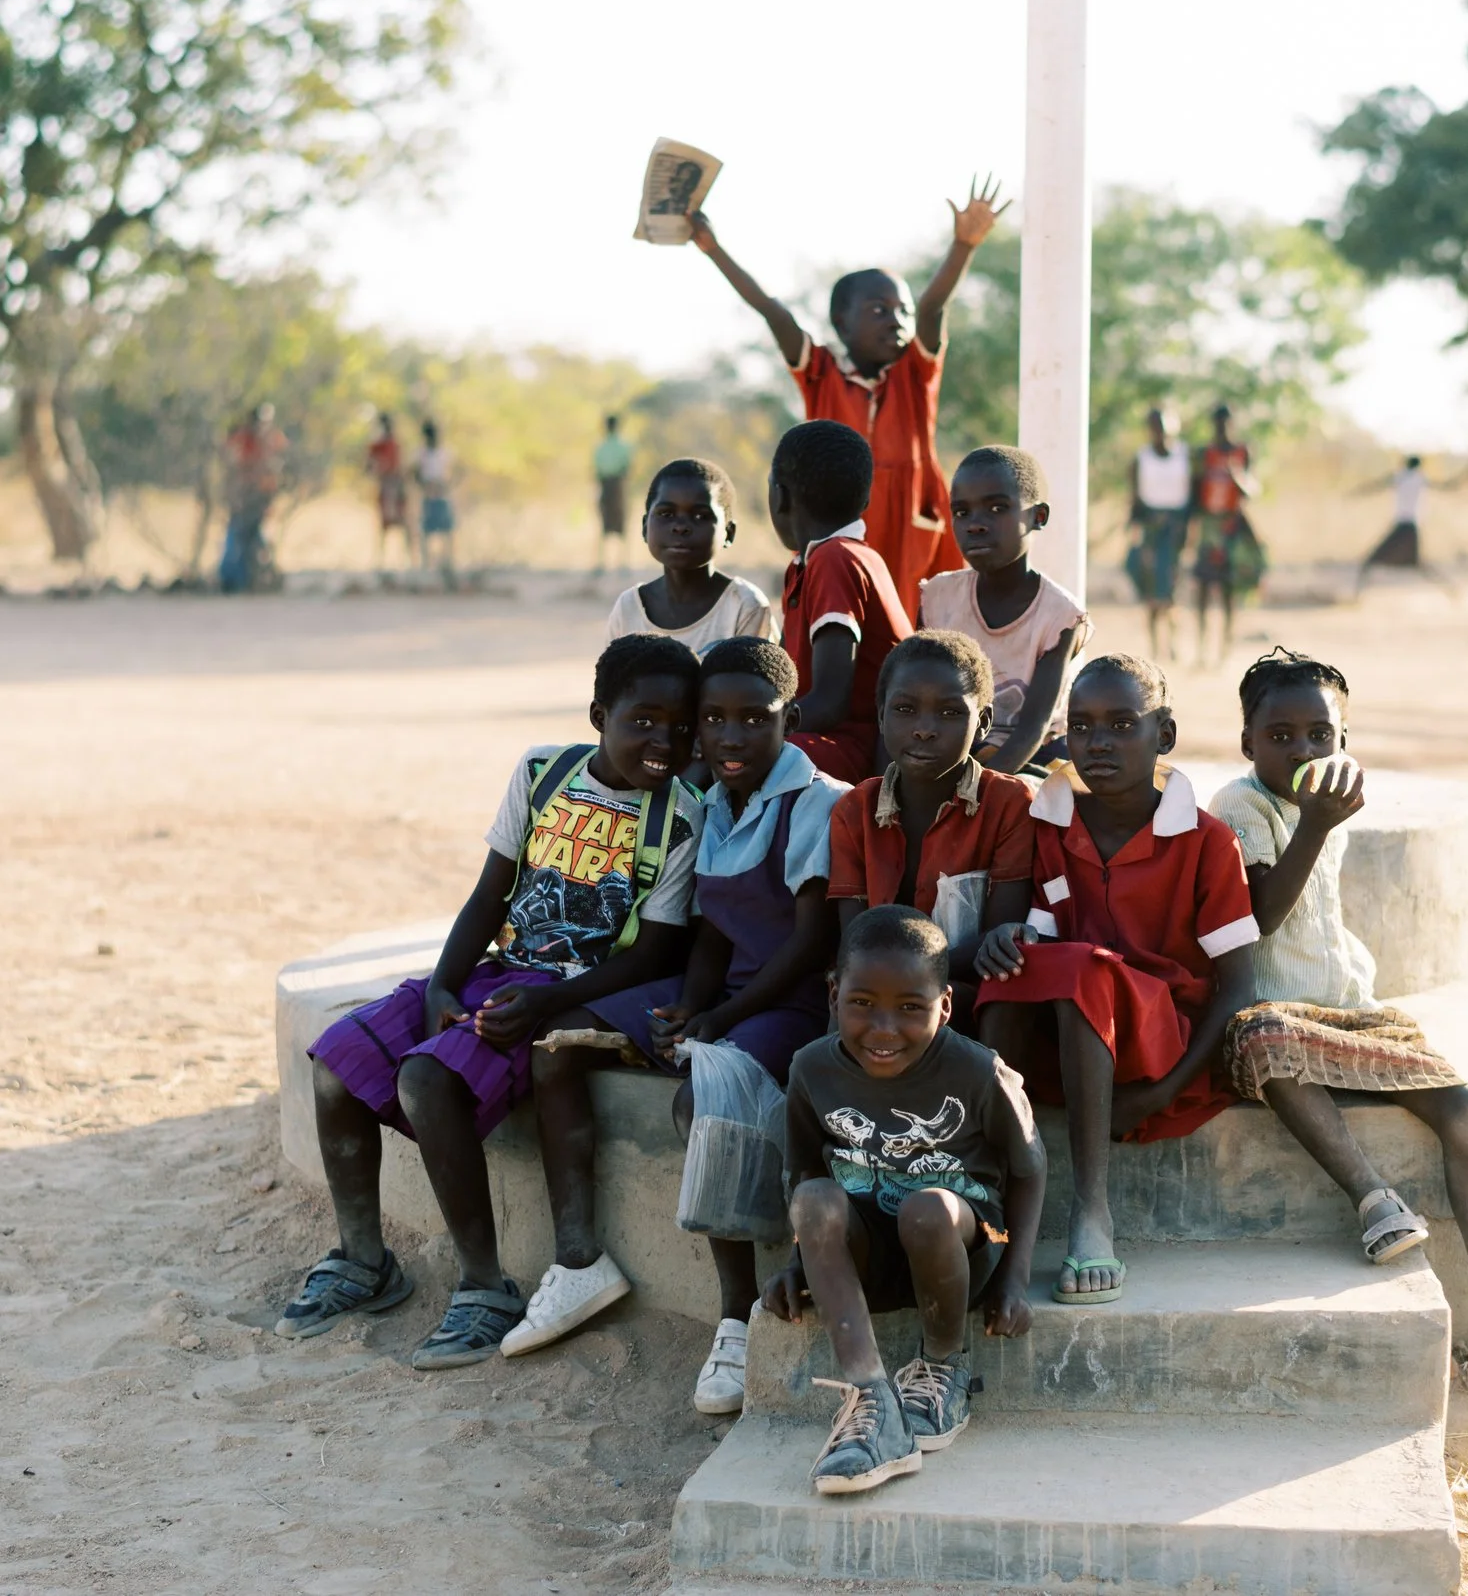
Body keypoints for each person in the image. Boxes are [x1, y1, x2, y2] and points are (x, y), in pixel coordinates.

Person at [282, 636, 703, 1369]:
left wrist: (548, 1004)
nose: (663, 741)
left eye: (680, 726)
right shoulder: (543, 772)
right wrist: (443, 983)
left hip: (571, 992)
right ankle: (363, 1260)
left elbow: (655, 953)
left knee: (426, 1079)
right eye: (643, 721)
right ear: (599, 715)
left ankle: (485, 1288)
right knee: (337, 1063)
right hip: (500, 968)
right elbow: (490, 893)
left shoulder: (681, 818)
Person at [1207, 648, 1468, 1404]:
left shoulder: (1332, 803)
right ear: (1247, 742)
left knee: (1463, 1107)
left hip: (1350, 1007)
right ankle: (1374, 1197)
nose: (1302, 750)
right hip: (1278, 1013)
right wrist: (1315, 826)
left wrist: (1322, 821)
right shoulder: (1239, 807)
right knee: (1264, 1041)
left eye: (1320, 735)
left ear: (1343, 741)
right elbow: (1261, 916)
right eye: (1280, 736)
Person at [524, 637, 847, 1407]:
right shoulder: (716, 803)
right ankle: (577, 1261)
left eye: (754, 718)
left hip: (791, 1004)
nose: (732, 736)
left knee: (703, 1098)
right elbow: (713, 934)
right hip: (730, 997)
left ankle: (736, 1318)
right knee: (556, 1044)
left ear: (792, 720)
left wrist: (717, 1017)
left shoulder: (815, 801)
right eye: (714, 719)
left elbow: (810, 943)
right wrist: (691, 1005)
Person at [974, 654, 1264, 1304]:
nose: (1097, 742)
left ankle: (1091, 1209)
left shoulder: (1206, 841)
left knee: (1083, 970)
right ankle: (983, 1189)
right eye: (1081, 726)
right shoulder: (1049, 824)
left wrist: (1161, 1093)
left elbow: (1238, 988)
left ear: (1165, 734)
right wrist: (1008, 937)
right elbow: (1042, 938)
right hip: (1074, 1046)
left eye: (1122, 724)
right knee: (1008, 972)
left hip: (1160, 1046)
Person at [766, 906, 1044, 1496]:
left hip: (965, 1248)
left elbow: (1029, 1169)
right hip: (868, 1254)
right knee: (815, 1196)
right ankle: (872, 1400)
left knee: (927, 1209)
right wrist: (797, 1259)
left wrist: (1015, 1278)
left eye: (911, 1008)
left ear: (945, 1006)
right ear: (834, 995)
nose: (884, 1028)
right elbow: (806, 1169)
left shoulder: (978, 1071)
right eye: (862, 1003)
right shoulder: (812, 1069)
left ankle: (943, 1366)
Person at [690, 177, 1010, 619]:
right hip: (837, 518)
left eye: (902, 311)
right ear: (841, 323)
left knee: (917, 623)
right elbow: (772, 311)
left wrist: (963, 245)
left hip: (910, 521)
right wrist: (713, 249)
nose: (896, 321)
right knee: (838, 613)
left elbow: (932, 308)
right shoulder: (821, 374)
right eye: (879, 310)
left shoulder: (915, 374)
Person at [826, 631, 1034, 1029]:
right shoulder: (854, 810)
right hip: (873, 992)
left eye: (950, 713)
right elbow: (854, 944)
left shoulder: (1009, 804)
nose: (924, 729)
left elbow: (996, 942)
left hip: (967, 995)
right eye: (905, 709)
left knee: (1004, 996)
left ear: (983, 722)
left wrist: (910, 976)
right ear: (881, 716)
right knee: (843, 1010)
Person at [918, 445, 1088, 776]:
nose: (975, 525)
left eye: (997, 508)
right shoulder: (938, 598)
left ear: (1038, 517)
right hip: (953, 747)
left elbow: (1033, 727)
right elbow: (915, 693)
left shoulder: (1060, 616)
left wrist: (976, 790)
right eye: (962, 512)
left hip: (1031, 756)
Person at [772, 419, 912, 782]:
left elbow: (830, 702)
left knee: (751, 752)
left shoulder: (835, 559)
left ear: (779, 496)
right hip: (829, 737)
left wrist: (755, 727)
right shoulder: (811, 563)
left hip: (859, 745)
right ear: (865, 501)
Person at [603, 458, 777, 652]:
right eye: (666, 514)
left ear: (729, 533)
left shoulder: (744, 606)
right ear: (645, 527)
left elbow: (753, 672)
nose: (680, 527)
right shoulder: (628, 609)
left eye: (700, 516)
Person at [1189, 404, 1264, 665]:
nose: (1222, 428)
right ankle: (1201, 649)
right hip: (1209, 528)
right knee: (1203, 587)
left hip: (1232, 527)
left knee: (1229, 590)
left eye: (1225, 423)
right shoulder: (1204, 454)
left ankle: (1224, 650)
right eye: (1218, 423)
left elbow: (1251, 491)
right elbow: (1195, 491)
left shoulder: (1242, 452)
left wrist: (1236, 476)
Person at [1125, 406, 1192, 659]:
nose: (1161, 433)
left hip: (1175, 529)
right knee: (1151, 590)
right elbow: (1135, 498)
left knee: (1172, 590)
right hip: (1150, 527)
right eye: (1156, 427)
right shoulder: (1141, 459)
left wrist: (1188, 531)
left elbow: (1192, 497)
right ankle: (1155, 648)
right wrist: (1134, 528)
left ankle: (1173, 644)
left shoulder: (1184, 456)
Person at [1353, 455, 1462, 597]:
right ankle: (1449, 588)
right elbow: (1447, 486)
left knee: (1370, 561)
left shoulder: (1400, 476)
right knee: (1418, 565)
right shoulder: (1420, 478)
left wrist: (1357, 492)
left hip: (1403, 527)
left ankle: (1356, 595)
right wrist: (1467, 476)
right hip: (1411, 529)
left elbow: (1376, 485)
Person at [220, 403, 286, 594]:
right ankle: (234, 579)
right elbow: (236, 467)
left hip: (258, 497)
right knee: (240, 535)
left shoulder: (268, 440)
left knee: (251, 536)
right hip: (245, 497)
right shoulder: (246, 440)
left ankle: (253, 578)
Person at [591, 413, 637, 576]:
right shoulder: (625, 446)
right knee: (621, 525)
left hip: (606, 486)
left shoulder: (600, 447)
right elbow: (628, 468)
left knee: (604, 525)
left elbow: (596, 471)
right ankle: (622, 563)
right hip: (619, 486)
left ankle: (602, 563)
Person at [415, 419, 458, 585]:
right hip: (429, 495)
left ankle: (447, 563)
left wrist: (446, 486)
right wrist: (425, 486)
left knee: (447, 530)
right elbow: (414, 473)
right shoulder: (421, 453)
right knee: (427, 531)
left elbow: (457, 471)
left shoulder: (445, 452)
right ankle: (427, 564)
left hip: (442, 494)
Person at [367, 413, 412, 570]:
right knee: (385, 524)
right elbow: (369, 467)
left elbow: (401, 467)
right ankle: (381, 561)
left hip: (395, 486)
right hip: (387, 486)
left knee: (402, 523)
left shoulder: (394, 444)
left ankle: (407, 560)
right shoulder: (377, 446)